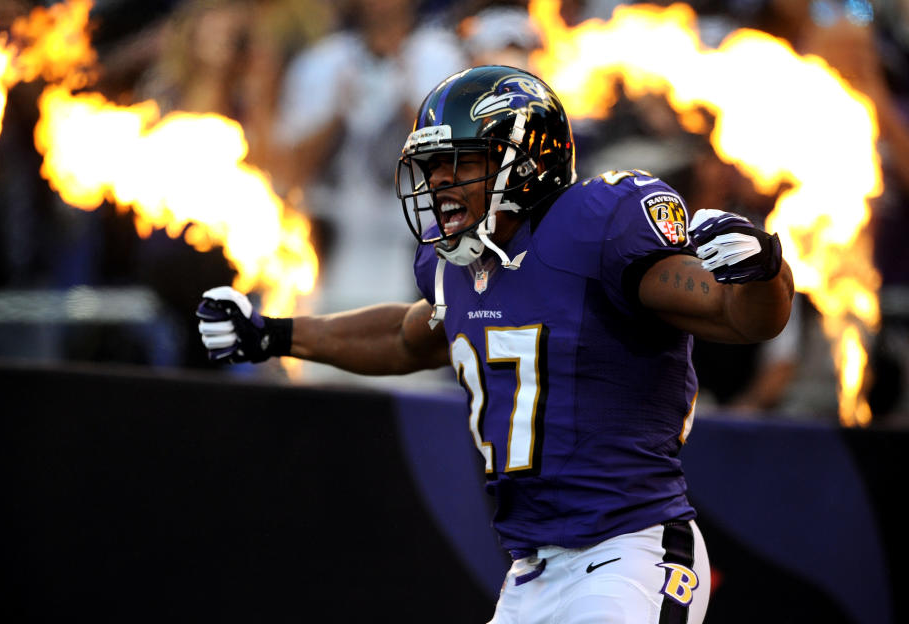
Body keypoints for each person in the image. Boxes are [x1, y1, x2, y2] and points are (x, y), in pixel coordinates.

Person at [195, 65, 794, 623]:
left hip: (630, 553)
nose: (439, 183)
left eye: (461, 163)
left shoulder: (596, 228)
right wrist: (273, 334)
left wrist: (764, 269)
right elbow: (406, 340)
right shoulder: (454, 265)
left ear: (525, 164)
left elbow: (743, 317)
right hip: (529, 573)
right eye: (432, 167)